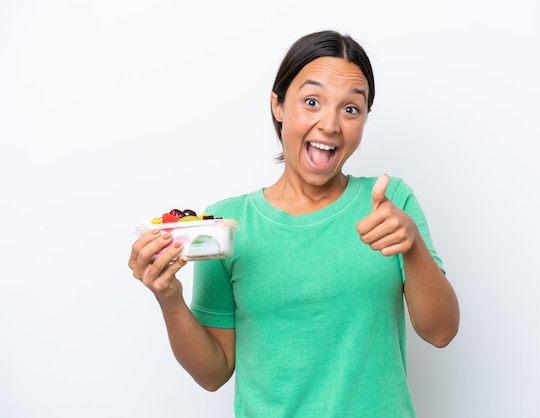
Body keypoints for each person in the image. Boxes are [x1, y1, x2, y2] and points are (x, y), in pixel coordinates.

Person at [129, 29, 460, 417]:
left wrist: (413, 244)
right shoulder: (228, 228)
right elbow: (213, 373)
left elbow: (440, 333)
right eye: (312, 101)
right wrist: (169, 299)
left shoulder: (391, 204)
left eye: (351, 109)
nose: (331, 124)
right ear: (279, 106)